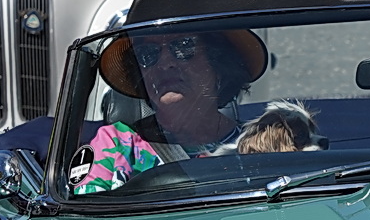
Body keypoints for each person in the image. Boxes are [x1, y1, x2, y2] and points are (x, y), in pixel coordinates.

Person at [79, 29, 269, 193]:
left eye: (183, 46)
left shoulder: (258, 145)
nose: (164, 63)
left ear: (218, 64)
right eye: (147, 54)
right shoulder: (116, 143)